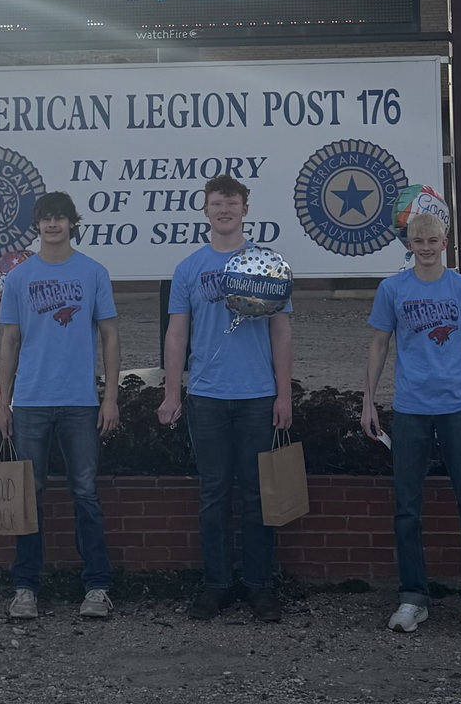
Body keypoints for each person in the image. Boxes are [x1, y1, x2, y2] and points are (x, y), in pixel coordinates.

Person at [157, 175, 293, 622]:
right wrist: (172, 391)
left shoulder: (268, 265)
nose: (224, 210)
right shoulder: (188, 268)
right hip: (208, 397)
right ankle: (215, 583)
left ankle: (258, 585)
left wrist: (284, 393)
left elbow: (281, 331)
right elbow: (177, 334)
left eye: (231, 203)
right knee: (213, 494)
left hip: (257, 395)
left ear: (245, 209)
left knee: (257, 496)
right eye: (216, 203)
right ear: (205, 209)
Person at [361, 211, 461, 637]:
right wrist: (368, 400)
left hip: (459, 409)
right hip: (410, 410)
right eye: (417, 240)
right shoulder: (392, 289)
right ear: (408, 243)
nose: (424, 247)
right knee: (406, 508)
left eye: (432, 240)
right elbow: (379, 344)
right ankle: (413, 597)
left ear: (445, 241)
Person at [0, 191, 120, 620]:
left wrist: (111, 397)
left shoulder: (93, 272)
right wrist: (2, 401)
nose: (53, 225)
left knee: (85, 493)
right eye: (46, 219)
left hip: (81, 403)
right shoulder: (19, 277)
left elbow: (110, 336)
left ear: (72, 223)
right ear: (37, 225)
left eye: (60, 218)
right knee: (30, 497)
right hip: (29, 401)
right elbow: (9, 342)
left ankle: (98, 587)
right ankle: (26, 587)